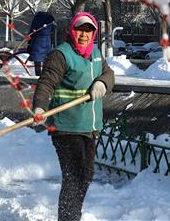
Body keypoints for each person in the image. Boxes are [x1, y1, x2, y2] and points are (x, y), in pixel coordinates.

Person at [32, 12, 114, 221]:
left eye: (89, 31)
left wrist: (102, 83)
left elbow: (109, 73)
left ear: (94, 33)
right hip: (65, 127)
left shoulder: (95, 54)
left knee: (85, 176)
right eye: (80, 30)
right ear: (72, 31)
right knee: (74, 177)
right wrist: (40, 108)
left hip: (89, 127)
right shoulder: (61, 54)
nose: (84, 35)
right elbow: (46, 83)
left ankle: (70, 216)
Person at [26, 11, 55, 75]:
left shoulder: (37, 18)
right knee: (46, 61)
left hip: (37, 42)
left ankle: (37, 75)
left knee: (37, 61)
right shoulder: (50, 20)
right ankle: (45, 76)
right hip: (47, 42)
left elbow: (32, 31)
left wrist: (29, 42)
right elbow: (52, 31)